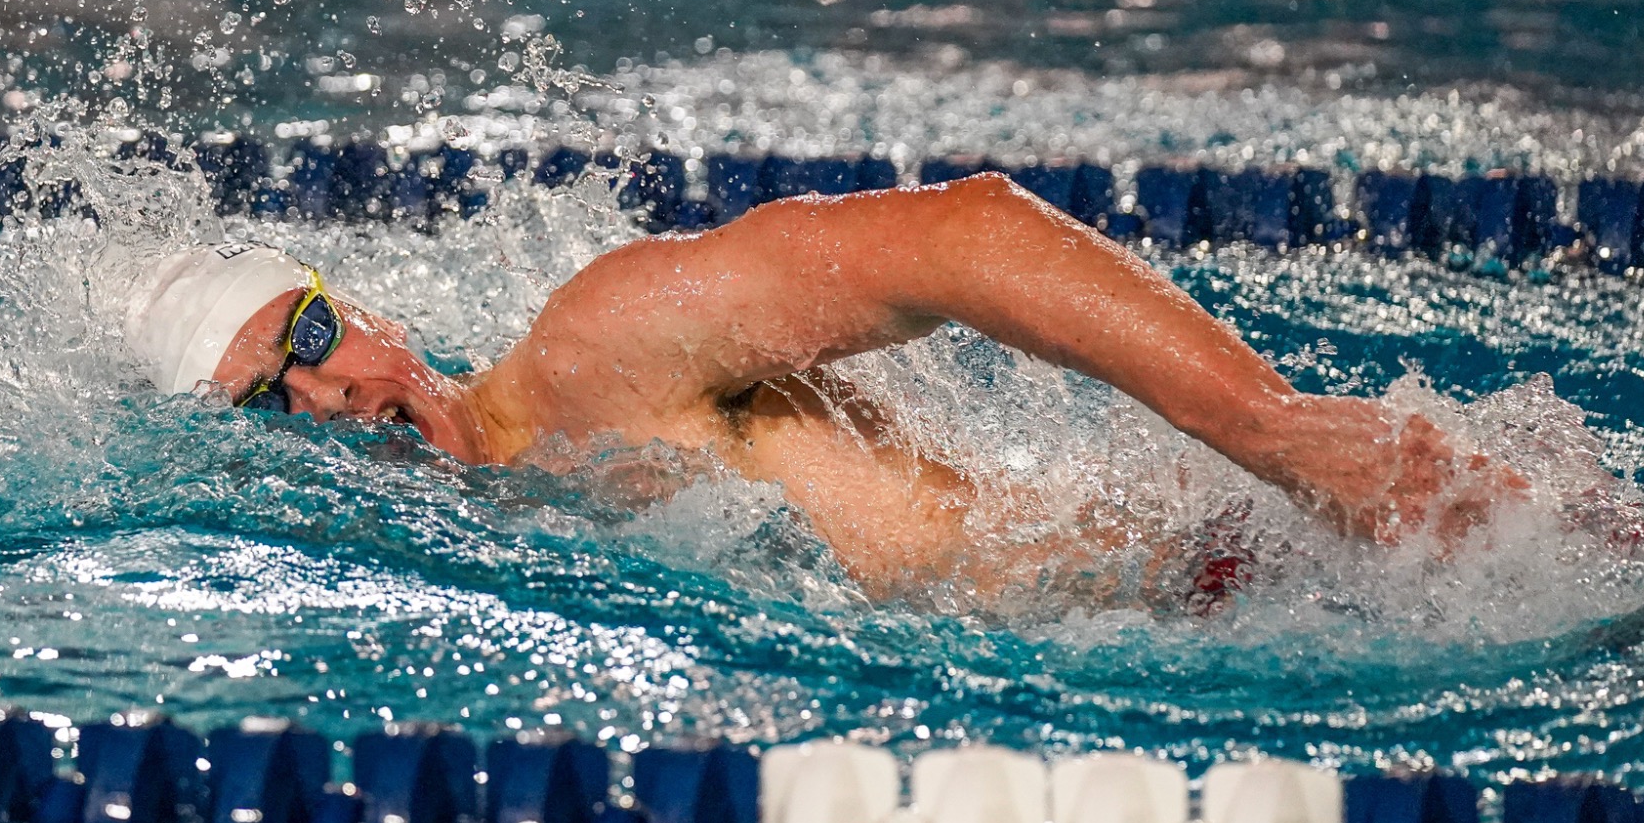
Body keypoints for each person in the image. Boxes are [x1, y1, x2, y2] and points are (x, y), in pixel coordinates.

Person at [127, 172, 1530, 601]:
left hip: (1262, 567)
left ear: (361, 307)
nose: (321, 398)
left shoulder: (592, 352)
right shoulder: (514, 541)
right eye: (264, 403)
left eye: (306, 339)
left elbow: (962, 232)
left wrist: (1265, 427)